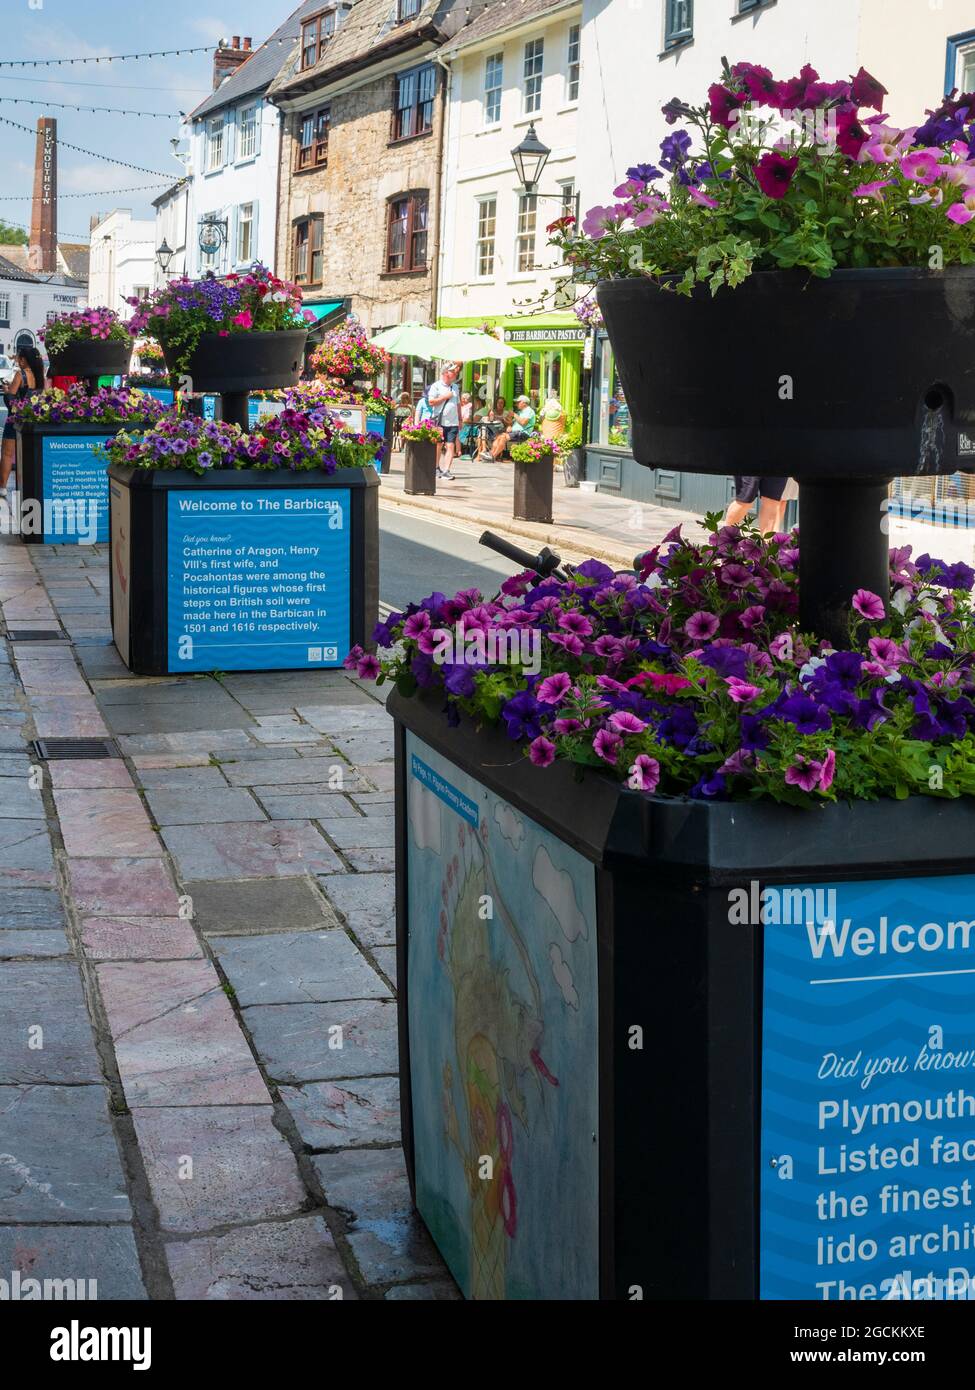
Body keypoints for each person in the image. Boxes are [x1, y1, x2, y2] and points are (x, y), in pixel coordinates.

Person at [1, 346, 45, 490]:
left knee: (7, 454)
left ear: (24, 360)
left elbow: (11, 399)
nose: (18, 360)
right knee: (25, 455)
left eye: (20, 358)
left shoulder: (21, 375)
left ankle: (2, 487)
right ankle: (24, 486)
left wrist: (7, 391)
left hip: (15, 419)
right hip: (32, 419)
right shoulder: (40, 376)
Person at [426, 361, 462, 480]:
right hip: (440, 421)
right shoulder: (436, 386)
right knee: (438, 445)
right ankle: (436, 468)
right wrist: (445, 397)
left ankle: (446, 470)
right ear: (446, 373)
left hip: (453, 422)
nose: (456, 372)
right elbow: (431, 402)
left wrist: (460, 419)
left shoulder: (455, 387)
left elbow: (457, 404)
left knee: (450, 445)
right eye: (453, 371)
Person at [491, 393, 536, 461]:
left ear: (524, 403)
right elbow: (511, 423)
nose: (516, 404)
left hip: (523, 433)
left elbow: (523, 423)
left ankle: (493, 457)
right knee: (498, 437)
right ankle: (491, 454)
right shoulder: (520, 412)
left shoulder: (529, 411)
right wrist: (506, 420)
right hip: (515, 432)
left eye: (518, 402)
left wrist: (514, 414)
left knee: (503, 437)